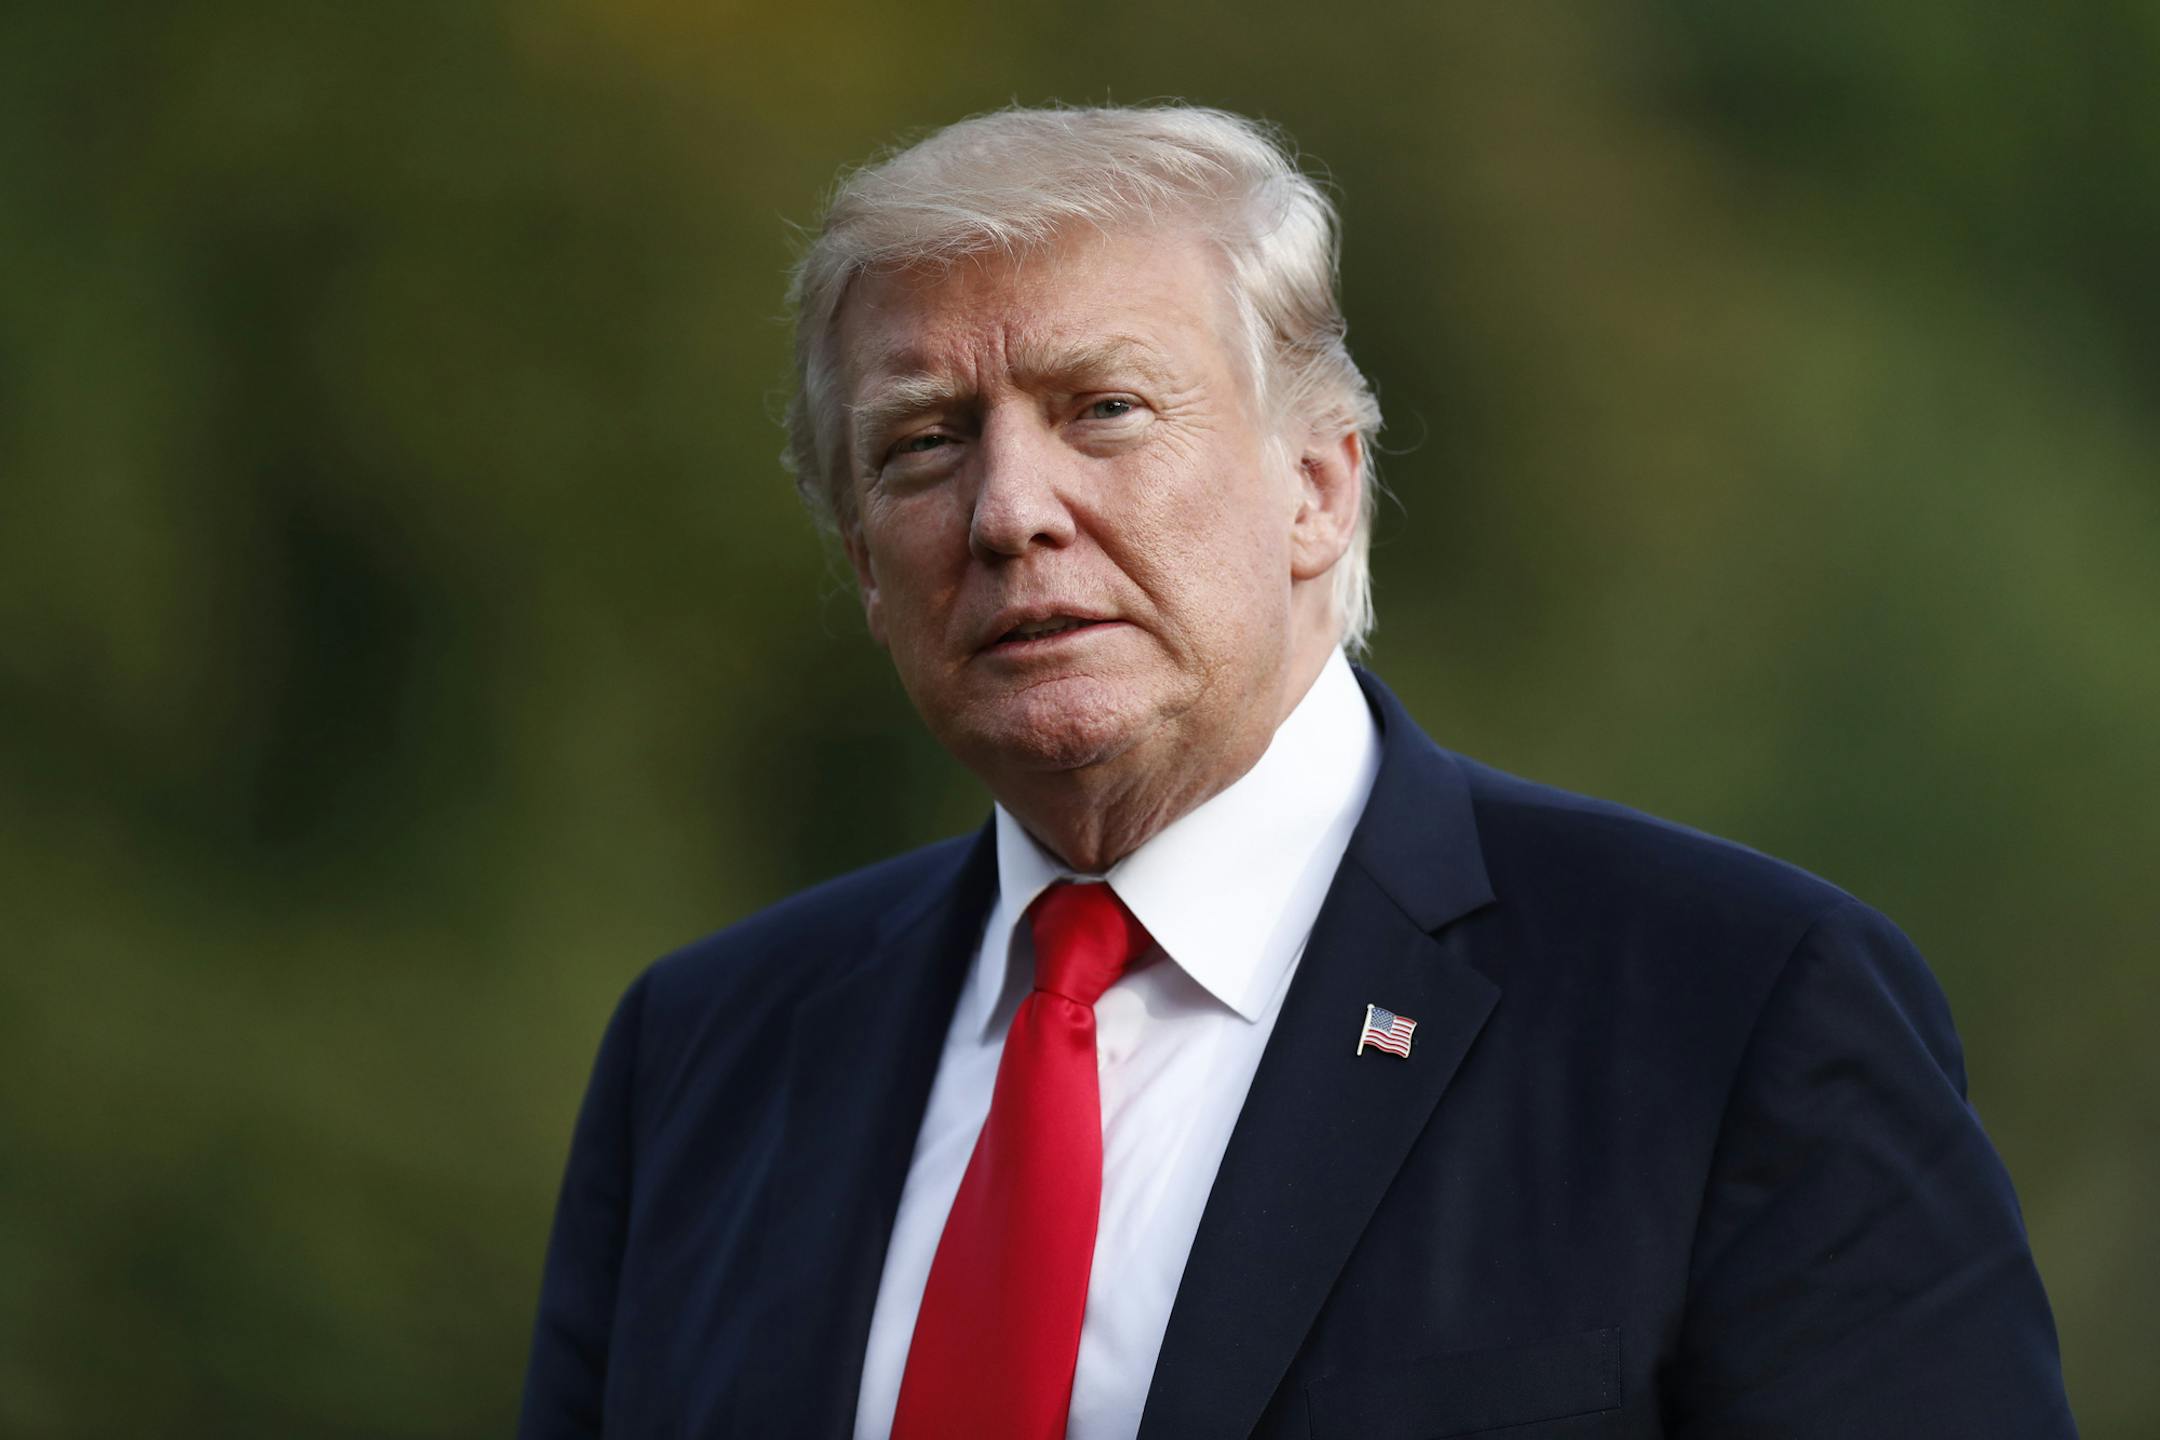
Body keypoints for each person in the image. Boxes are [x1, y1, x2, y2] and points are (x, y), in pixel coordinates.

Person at [518, 104, 2076, 1439]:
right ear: (866, 564)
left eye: (1103, 409)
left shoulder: (1731, 1008)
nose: (1009, 511)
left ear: (1319, 487)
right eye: (923, 442)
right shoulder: (705, 1058)